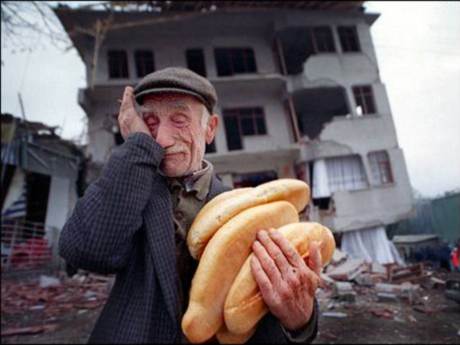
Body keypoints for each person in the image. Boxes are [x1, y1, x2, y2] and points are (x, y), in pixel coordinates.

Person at [59, 67, 322, 344]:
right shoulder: (128, 191)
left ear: (210, 129)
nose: (161, 139)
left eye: (180, 119)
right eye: (150, 122)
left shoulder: (248, 212)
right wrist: (137, 147)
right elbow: (85, 251)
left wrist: (299, 322)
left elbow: (257, 308)